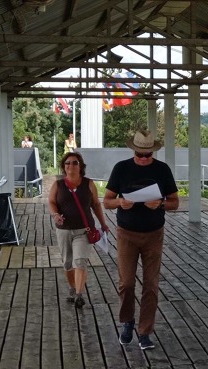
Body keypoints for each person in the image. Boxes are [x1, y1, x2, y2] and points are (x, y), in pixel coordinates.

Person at [103, 129, 179, 351]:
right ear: (133, 150)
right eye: (139, 154)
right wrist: (120, 203)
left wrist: (161, 204)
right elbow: (106, 200)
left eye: (147, 155)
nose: (143, 158)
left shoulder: (162, 170)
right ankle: (127, 322)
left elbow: (175, 202)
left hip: (154, 233)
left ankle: (145, 331)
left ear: (153, 152)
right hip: (126, 233)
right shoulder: (121, 168)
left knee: (151, 285)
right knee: (126, 283)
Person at [47, 152, 109, 309]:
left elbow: (96, 204)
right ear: (63, 167)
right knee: (68, 263)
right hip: (64, 230)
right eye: (67, 163)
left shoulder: (88, 184)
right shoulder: (58, 185)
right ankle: (73, 289)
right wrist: (55, 215)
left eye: (75, 163)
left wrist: (103, 223)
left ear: (80, 166)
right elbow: (52, 202)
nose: (71, 166)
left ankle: (79, 295)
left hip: (84, 229)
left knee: (80, 261)